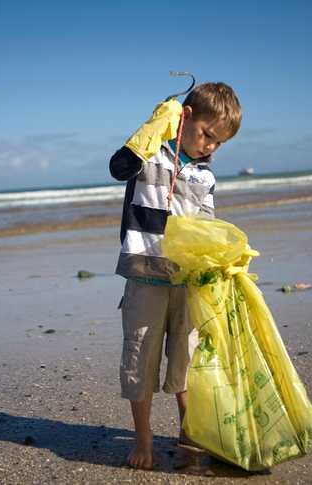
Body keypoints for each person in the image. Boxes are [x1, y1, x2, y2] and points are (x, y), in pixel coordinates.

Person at [109, 82, 242, 469]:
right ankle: (144, 438)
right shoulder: (149, 153)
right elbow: (119, 167)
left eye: (220, 143)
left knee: (188, 362)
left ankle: (190, 435)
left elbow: (208, 227)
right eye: (207, 135)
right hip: (144, 274)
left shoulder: (205, 177)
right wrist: (155, 126)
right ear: (184, 117)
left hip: (187, 281)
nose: (211, 147)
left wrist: (222, 263)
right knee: (140, 360)